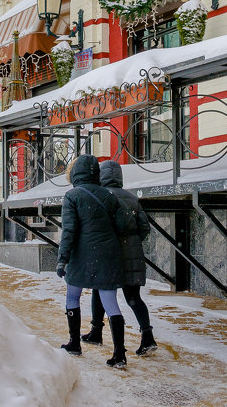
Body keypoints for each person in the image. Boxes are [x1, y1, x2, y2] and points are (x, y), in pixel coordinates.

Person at [56, 154, 130, 368]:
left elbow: (69, 231)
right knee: (111, 304)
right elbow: (122, 227)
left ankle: (74, 343)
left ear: (76, 173)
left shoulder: (72, 196)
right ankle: (119, 355)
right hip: (107, 255)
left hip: (80, 256)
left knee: (72, 297)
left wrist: (62, 260)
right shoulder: (109, 196)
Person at [81, 159, 157, 356]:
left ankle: (96, 332)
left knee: (100, 291)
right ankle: (147, 336)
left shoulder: (103, 197)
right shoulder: (132, 198)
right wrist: (131, 243)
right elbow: (144, 228)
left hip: (110, 254)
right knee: (133, 298)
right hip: (133, 254)